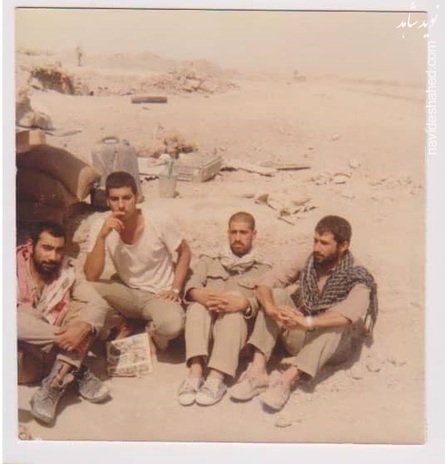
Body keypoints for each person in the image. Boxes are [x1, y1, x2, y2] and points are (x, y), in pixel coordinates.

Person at [230, 215, 377, 412]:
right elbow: (266, 282)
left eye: (324, 243)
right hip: (302, 335)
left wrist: (306, 322)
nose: (317, 247)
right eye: (315, 241)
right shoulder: (308, 260)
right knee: (277, 295)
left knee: (337, 322)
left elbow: (348, 315)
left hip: (333, 348)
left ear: (343, 246)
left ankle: (286, 381)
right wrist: (272, 308)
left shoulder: (357, 275)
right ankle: (257, 373)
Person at [84, 171, 191, 352]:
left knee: (172, 325)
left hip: (159, 295)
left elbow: (185, 252)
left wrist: (175, 289)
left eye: (127, 198)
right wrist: (102, 236)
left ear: (137, 197)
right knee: (85, 289)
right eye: (115, 199)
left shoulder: (158, 220)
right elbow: (90, 276)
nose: (121, 205)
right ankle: (122, 323)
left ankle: (151, 331)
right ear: (107, 201)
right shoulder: (101, 225)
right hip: (127, 293)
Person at [17, 221, 111, 424]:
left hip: (44, 354)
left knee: (84, 311)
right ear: (31, 246)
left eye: (59, 250)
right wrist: (70, 337)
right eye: (47, 248)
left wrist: (84, 327)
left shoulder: (66, 271)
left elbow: (99, 304)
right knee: (24, 313)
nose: (53, 257)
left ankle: (55, 382)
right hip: (21, 361)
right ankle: (75, 368)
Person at [178, 212, 271, 406]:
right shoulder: (210, 260)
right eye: (233, 232)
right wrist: (199, 294)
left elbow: (268, 302)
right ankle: (195, 373)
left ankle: (216, 379)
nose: (237, 237)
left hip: (236, 341)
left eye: (243, 233)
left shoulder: (264, 268)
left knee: (234, 310)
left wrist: (244, 304)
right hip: (207, 337)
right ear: (228, 233)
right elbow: (191, 283)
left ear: (253, 234)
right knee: (197, 307)